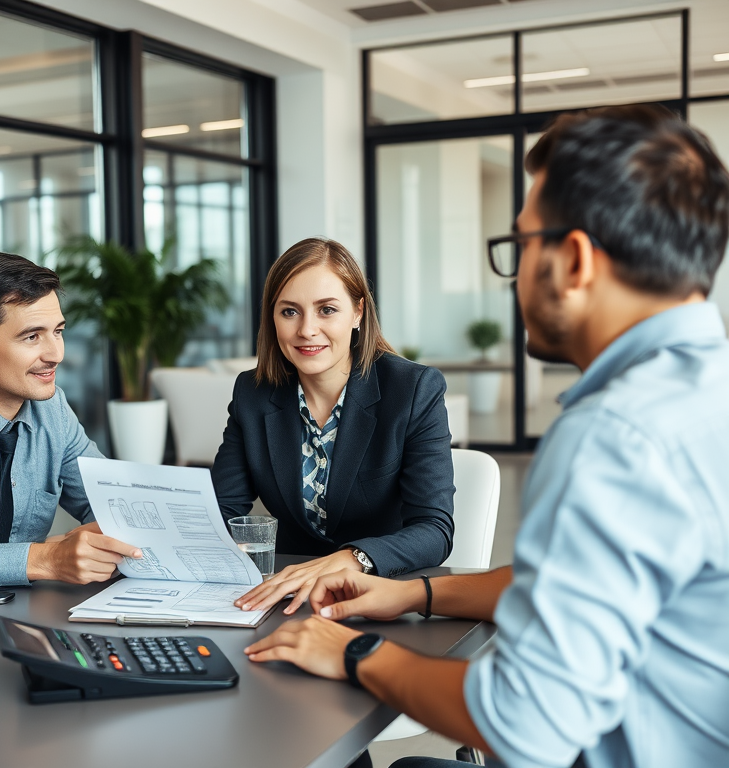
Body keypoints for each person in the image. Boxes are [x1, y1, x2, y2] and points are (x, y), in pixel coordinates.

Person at [243, 104, 729, 768]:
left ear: (576, 260)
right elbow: (563, 582)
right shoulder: (704, 392)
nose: (515, 272)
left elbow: (522, 722)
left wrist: (357, 653)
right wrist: (415, 592)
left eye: (522, 244)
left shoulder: (613, 437)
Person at [211, 238, 455, 616]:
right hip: (287, 600)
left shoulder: (412, 390)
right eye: (289, 312)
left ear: (358, 312)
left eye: (326, 310)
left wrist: (351, 558)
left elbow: (434, 529)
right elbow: (223, 510)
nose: (307, 330)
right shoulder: (253, 393)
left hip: (381, 598)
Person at [0, 252, 141, 589]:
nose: (56, 355)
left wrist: (99, 538)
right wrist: (44, 557)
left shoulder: (52, 409)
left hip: (28, 611)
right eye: (32, 337)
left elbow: (115, 510)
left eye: (58, 332)